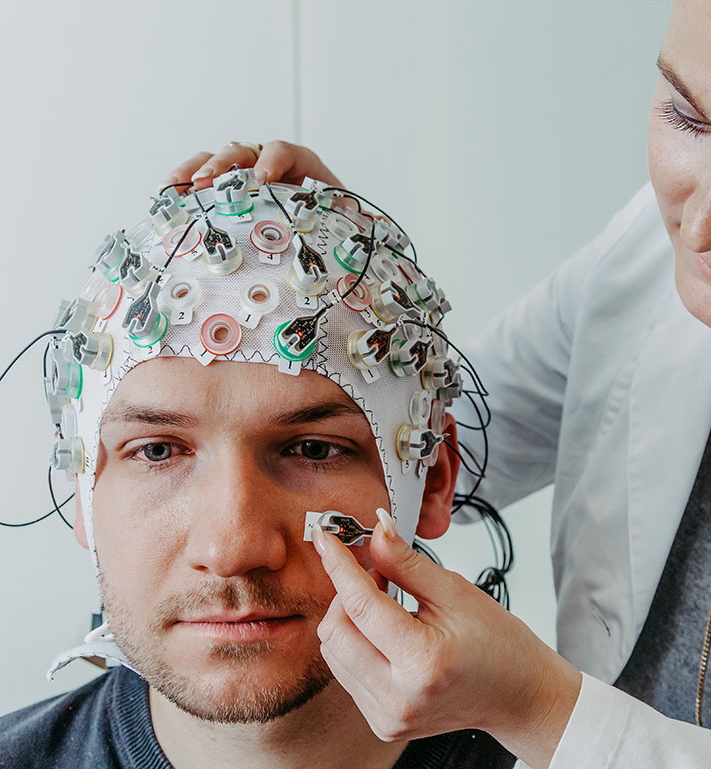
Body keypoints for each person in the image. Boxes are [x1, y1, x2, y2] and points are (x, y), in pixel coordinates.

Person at [162, 0, 711, 766]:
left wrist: (539, 709)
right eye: (689, 116)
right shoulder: (649, 261)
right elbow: (435, 452)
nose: (705, 222)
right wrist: (349, 311)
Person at [0, 173, 516, 768]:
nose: (233, 549)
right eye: (159, 451)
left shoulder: (574, 745)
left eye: (313, 450)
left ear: (433, 484)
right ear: (81, 489)